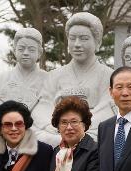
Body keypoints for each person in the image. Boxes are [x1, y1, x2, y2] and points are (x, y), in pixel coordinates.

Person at [32, 12, 114, 147]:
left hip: (92, 133)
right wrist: (55, 126)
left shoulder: (109, 76)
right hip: (57, 132)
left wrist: (77, 127)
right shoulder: (54, 75)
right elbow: (43, 106)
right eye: (72, 38)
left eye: (84, 38)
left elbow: (107, 110)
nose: (77, 44)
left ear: (97, 42)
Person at [0, 28, 47, 149]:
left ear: (40, 52)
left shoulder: (49, 80)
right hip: (3, 144)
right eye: (21, 49)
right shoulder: (1, 80)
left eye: (31, 49)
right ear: (14, 50)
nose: (25, 53)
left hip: (38, 144)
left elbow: (49, 117)